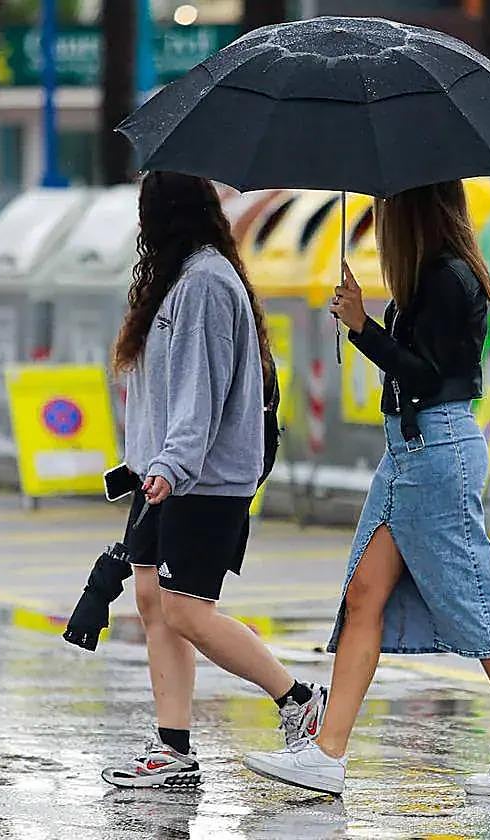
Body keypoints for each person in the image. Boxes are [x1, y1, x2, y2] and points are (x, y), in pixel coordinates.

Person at [244, 181, 490, 797]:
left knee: (474, 596)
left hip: (436, 449)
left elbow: (429, 375)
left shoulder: (448, 278)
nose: (381, 219)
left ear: (414, 209)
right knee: (365, 593)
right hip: (410, 450)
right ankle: (328, 753)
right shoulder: (429, 276)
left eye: (387, 207)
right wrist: (367, 322)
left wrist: (364, 327)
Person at [101, 171, 327, 789]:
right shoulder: (178, 281)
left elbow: (200, 390)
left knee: (185, 610)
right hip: (165, 475)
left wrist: (173, 466)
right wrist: (146, 463)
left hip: (201, 480)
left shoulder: (202, 283)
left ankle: (299, 700)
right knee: (153, 602)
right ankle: (172, 746)